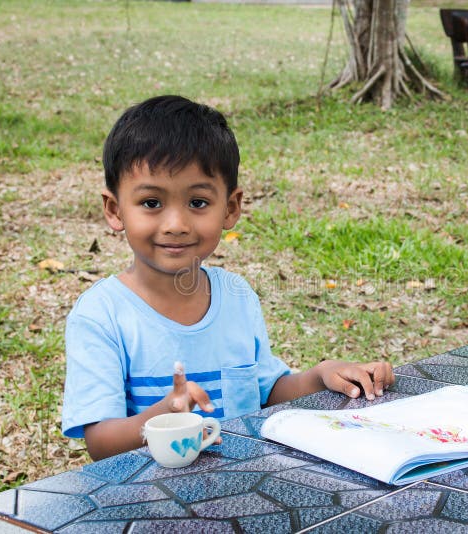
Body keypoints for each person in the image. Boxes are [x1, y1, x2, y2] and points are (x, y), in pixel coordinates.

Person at [61, 95, 395, 461]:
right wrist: (162, 416)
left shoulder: (236, 296)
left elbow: (267, 392)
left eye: (198, 203)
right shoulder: (102, 314)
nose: (176, 225)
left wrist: (321, 376)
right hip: (150, 499)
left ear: (231, 208)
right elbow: (100, 443)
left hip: (242, 489)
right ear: (115, 210)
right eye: (152, 203)